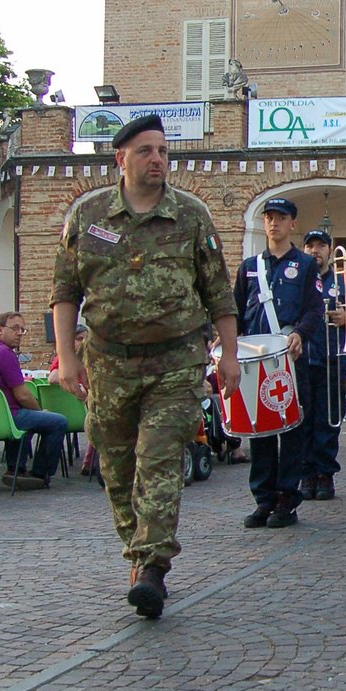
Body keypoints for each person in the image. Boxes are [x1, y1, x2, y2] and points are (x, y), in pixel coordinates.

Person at [52, 112, 240, 618]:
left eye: (162, 150)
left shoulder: (191, 214)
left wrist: (230, 356)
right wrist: (67, 360)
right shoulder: (87, 216)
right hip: (109, 362)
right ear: (121, 159)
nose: (157, 159)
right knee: (116, 468)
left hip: (176, 360)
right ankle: (137, 552)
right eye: (146, 151)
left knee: (158, 460)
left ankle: (153, 567)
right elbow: (65, 292)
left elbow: (218, 291)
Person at [233, 197, 323, 528]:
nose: (274, 223)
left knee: (293, 428)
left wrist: (301, 333)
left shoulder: (305, 263)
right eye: (269, 217)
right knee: (260, 430)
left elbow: (315, 308)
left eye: (281, 218)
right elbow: (236, 310)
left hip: (289, 356)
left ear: (292, 224)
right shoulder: (250, 267)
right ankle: (264, 499)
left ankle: (287, 498)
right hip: (256, 359)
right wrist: (226, 340)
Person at [300, 228, 346, 501]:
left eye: (320, 246)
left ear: (330, 250)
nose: (315, 251)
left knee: (328, 422)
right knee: (304, 421)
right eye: (310, 246)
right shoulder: (299, 283)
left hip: (332, 359)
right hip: (303, 359)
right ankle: (307, 473)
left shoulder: (344, 282)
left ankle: (325, 474)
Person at [0, 312, 69, 489]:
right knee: (58, 421)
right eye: (15, 328)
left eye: (22, 329)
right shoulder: (4, 354)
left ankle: (16, 470)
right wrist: (40, 411)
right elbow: (23, 395)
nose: (20, 333)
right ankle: (40, 475)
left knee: (25, 417)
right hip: (4, 418)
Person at [48, 324, 99, 476]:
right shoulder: (65, 360)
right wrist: (79, 389)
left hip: (82, 413)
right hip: (76, 414)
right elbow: (53, 378)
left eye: (86, 339)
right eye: (79, 339)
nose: (83, 343)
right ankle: (91, 463)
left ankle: (90, 463)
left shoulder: (90, 359)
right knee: (100, 416)